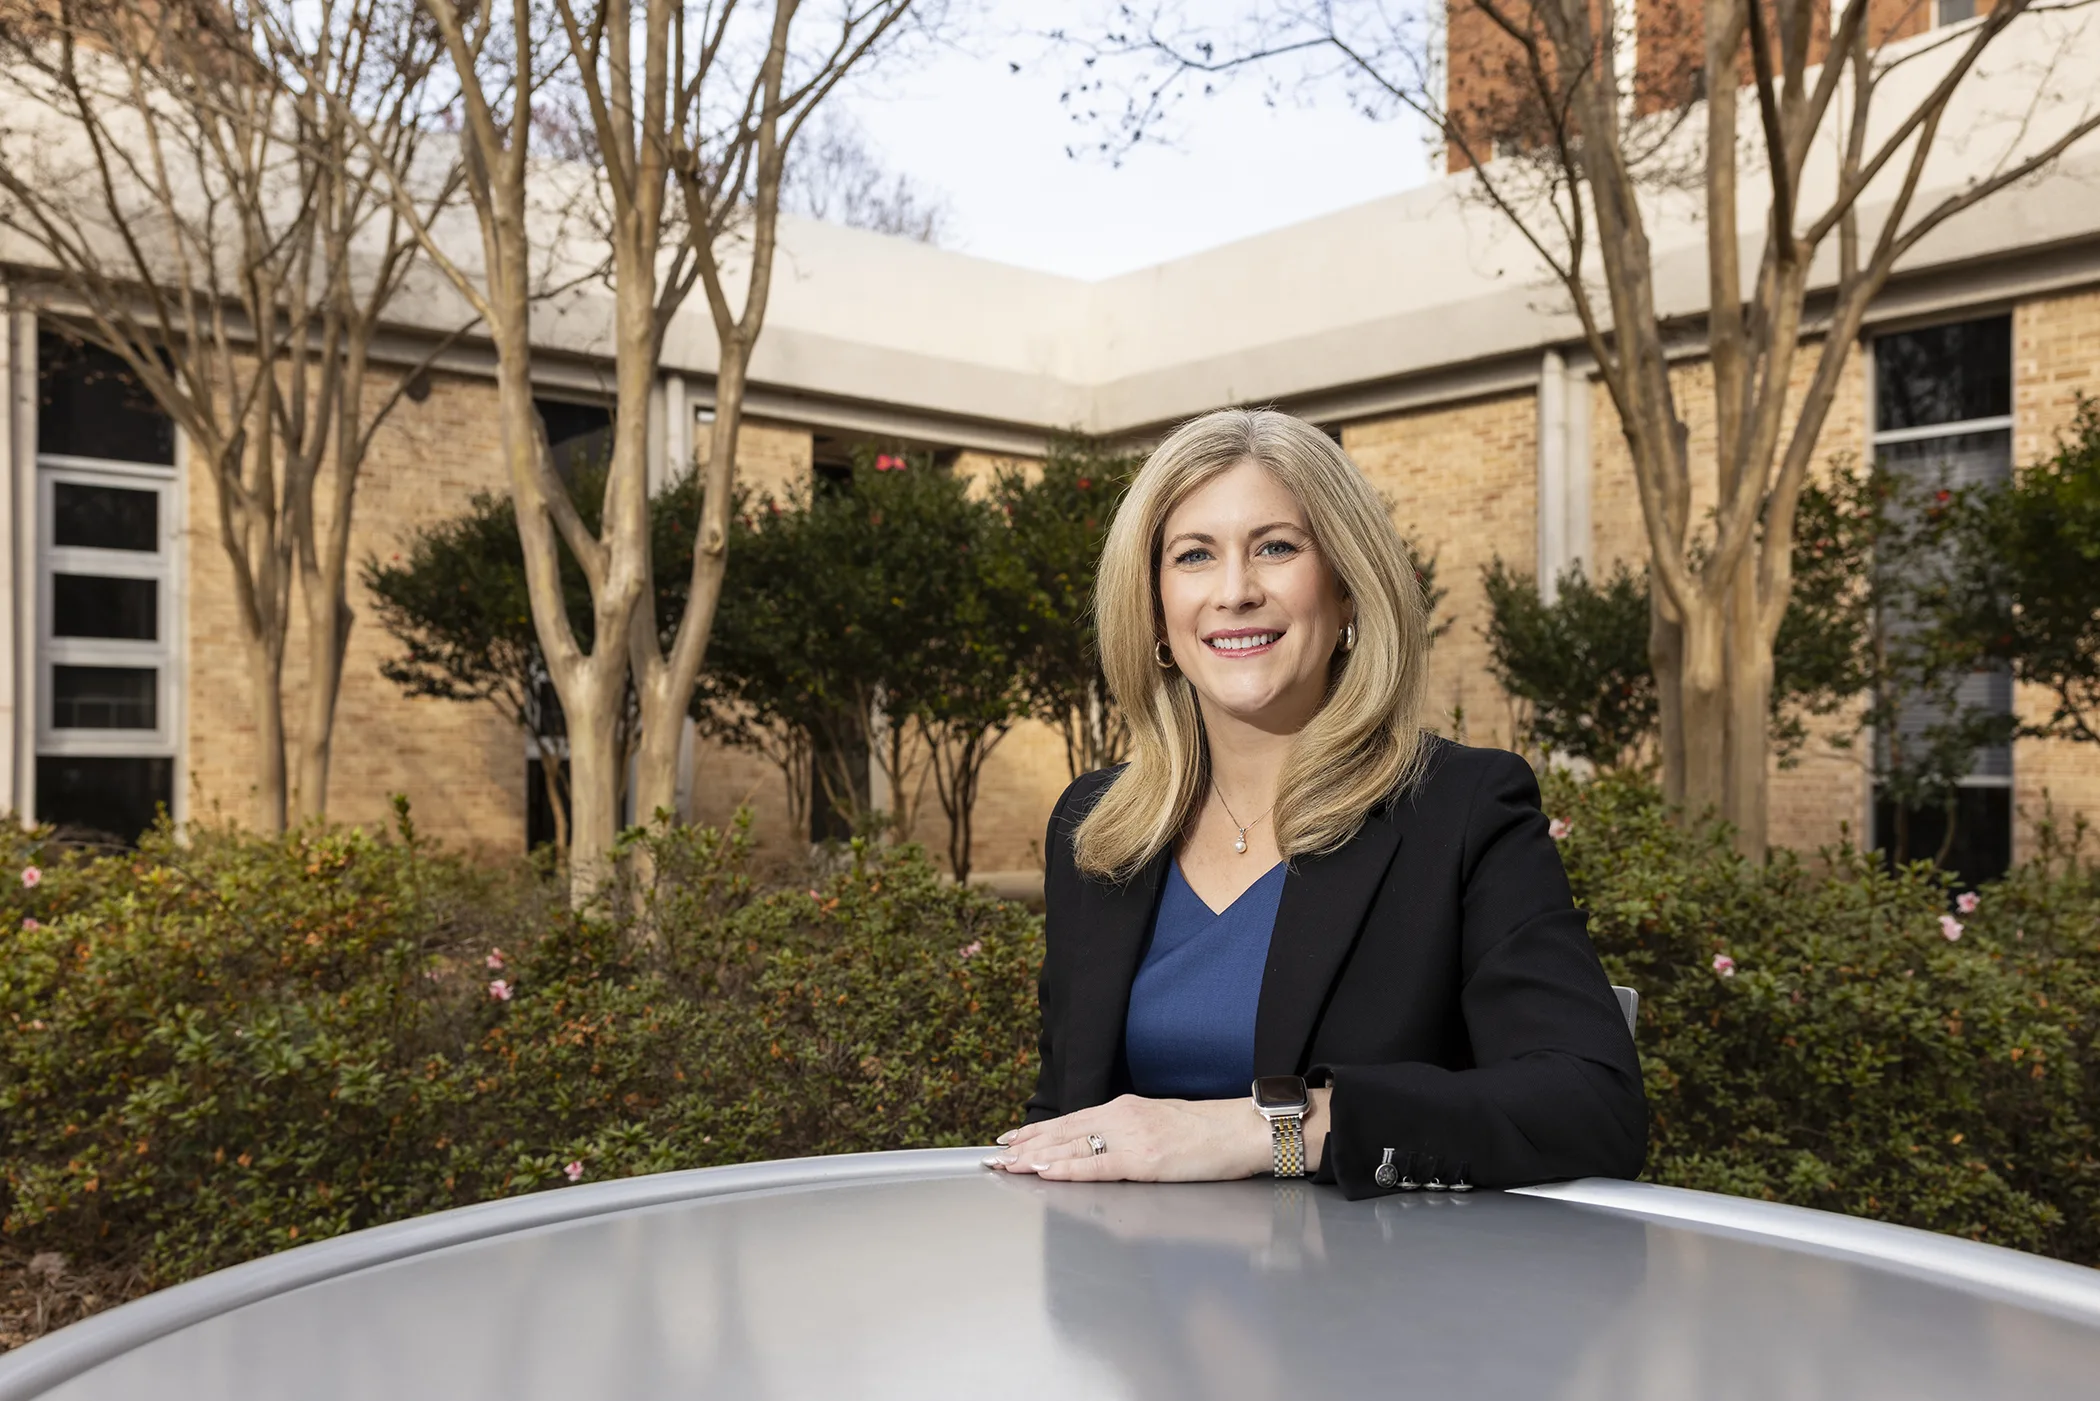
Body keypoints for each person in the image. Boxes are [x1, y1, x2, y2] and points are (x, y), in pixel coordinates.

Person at [984, 408, 1646, 1198]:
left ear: (1346, 590)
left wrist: (1265, 1129)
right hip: (1128, 1298)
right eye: (1194, 555)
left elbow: (1591, 1102)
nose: (1236, 591)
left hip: (1367, 1302)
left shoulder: (1460, 811)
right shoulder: (1095, 828)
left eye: (1276, 547)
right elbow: (1065, 1116)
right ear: (1156, 611)